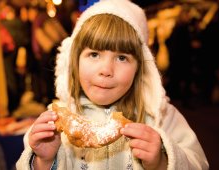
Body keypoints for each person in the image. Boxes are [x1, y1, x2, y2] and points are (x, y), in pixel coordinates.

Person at [16, 0, 209, 169]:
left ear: (139, 68)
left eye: (122, 58)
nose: (106, 69)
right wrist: (44, 162)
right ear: (74, 62)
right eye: (94, 54)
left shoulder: (162, 117)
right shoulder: (54, 122)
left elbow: (198, 163)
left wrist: (161, 161)